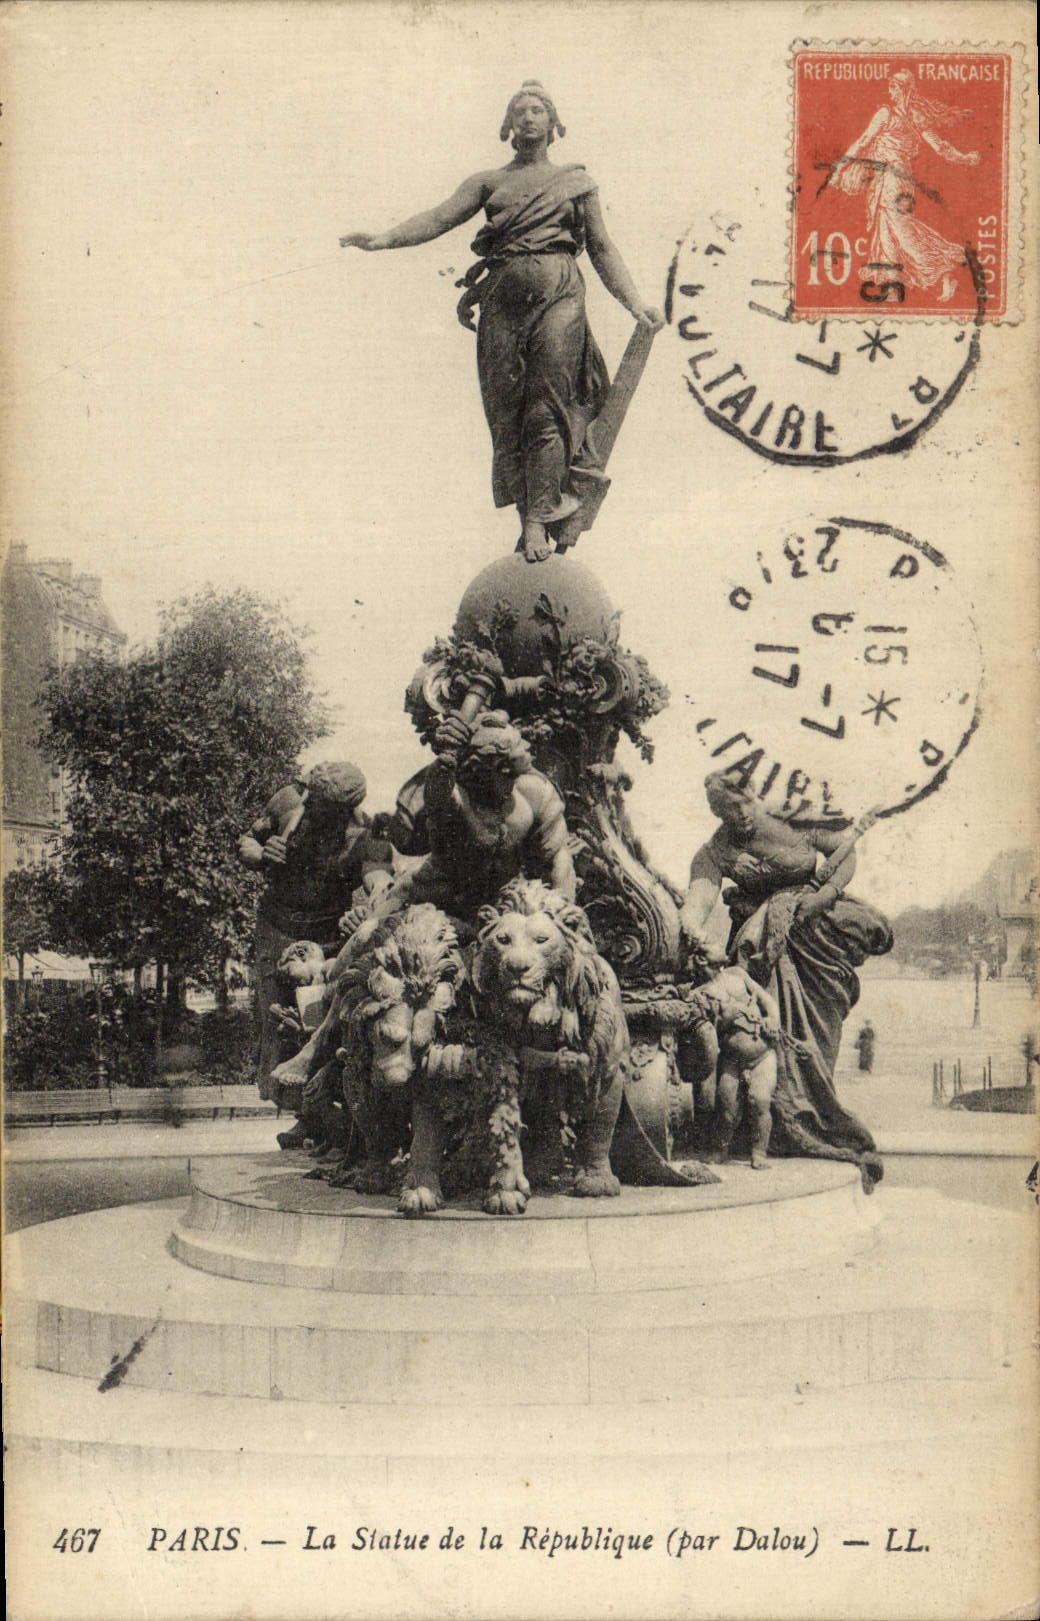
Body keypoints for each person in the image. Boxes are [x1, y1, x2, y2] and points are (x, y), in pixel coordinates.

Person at [341, 81, 664, 561]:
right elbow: (438, 217)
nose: (529, 117)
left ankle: (539, 521)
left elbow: (600, 246)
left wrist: (634, 302)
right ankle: (527, 518)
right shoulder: (489, 182)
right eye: (520, 110)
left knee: (546, 408)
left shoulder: (576, 181)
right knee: (508, 416)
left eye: (538, 109)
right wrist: (383, 239)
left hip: (559, 294)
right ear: (508, 125)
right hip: (503, 304)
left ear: (553, 123)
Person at [680, 770, 893, 1187]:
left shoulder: (795, 819)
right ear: (715, 813)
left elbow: (845, 853)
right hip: (765, 947)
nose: (738, 816)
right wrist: (689, 929)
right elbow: (698, 899)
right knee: (770, 1040)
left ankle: (814, 1119)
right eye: (726, 811)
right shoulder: (716, 851)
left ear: (753, 794)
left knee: (818, 1040)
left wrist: (819, 898)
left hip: (818, 933)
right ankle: (771, 1132)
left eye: (742, 804)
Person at [237, 761, 390, 1138]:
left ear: (342, 811)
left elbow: (381, 883)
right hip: (275, 929)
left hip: (325, 941)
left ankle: (313, 1117)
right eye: (309, 798)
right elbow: (246, 841)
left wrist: (367, 914)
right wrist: (259, 854)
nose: (309, 809)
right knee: (276, 1025)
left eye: (320, 807)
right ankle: (303, 1116)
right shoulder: (289, 802)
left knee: (313, 1023)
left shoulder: (363, 835)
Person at [358, 710, 575, 933]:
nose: (528, 745)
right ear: (501, 765)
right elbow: (434, 798)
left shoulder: (537, 792)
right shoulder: (455, 794)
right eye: (519, 743)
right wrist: (444, 759)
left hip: (505, 898)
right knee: (367, 935)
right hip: (438, 892)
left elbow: (559, 861)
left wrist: (565, 918)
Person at [830, 68, 980, 303]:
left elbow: (862, 142)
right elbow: (940, 147)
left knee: (902, 230)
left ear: (902, 90)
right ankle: (892, 286)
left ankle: (944, 269)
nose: (890, 91)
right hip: (898, 178)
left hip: (892, 178)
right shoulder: (915, 117)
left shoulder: (886, 114)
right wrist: (965, 158)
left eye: (894, 87)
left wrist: (839, 169)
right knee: (887, 230)